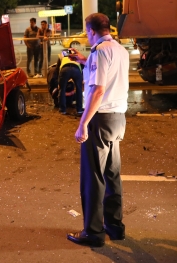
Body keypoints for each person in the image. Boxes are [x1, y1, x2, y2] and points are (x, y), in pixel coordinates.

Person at [66, 13, 130, 248]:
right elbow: (109, 76)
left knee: (93, 176)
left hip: (100, 120)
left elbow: (98, 90)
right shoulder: (119, 50)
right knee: (112, 174)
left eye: (87, 32)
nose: (87, 36)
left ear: (92, 30)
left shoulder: (100, 51)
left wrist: (83, 123)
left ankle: (93, 232)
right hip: (117, 118)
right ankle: (115, 226)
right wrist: (84, 61)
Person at [56, 48, 84, 115]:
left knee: (62, 90)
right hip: (76, 70)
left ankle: (62, 110)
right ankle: (79, 110)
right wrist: (82, 79)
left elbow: (57, 68)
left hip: (64, 69)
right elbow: (83, 65)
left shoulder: (62, 56)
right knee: (79, 90)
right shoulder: (76, 55)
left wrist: (59, 81)